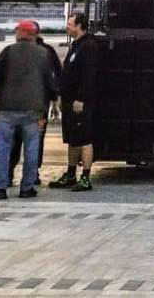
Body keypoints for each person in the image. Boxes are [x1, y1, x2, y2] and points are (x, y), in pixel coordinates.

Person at [0, 19, 59, 201]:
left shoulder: (8, 51)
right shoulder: (44, 54)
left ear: (19, 33)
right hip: (34, 108)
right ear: (35, 34)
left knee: (3, 146)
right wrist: (54, 101)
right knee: (32, 147)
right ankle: (27, 187)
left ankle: (0, 187)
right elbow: (51, 81)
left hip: (8, 107)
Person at [49, 11, 99, 192]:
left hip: (80, 102)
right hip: (70, 100)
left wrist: (81, 98)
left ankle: (85, 177)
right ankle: (71, 173)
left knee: (84, 139)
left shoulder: (89, 46)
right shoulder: (76, 45)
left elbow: (89, 75)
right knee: (73, 139)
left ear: (79, 26)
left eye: (70, 24)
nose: (67, 27)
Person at [7, 30, 62, 183]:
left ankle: (9, 171)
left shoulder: (12, 51)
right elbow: (54, 77)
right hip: (39, 105)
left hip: (16, 104)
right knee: (35, 140)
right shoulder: (47, 52)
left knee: (14, 140)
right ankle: (32, 175)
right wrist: (55, 102)